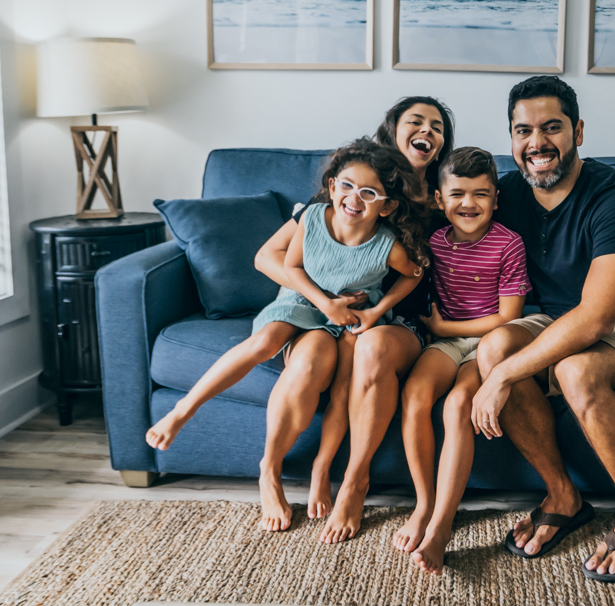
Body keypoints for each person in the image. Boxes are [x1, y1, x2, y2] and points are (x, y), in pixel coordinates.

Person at [146, 138, 430, 532]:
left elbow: (415, 272)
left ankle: (323, 468)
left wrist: (377, 309)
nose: (354, 198)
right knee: (263, 342)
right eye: (346, 186)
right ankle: (186, 412)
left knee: (344, 383)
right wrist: (324, 302)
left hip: (349, 316)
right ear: (331, 186)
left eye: (369, 193)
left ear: (387, 204)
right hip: (304, 299)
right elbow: (291, 267)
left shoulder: (385, 243)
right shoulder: (314, 218)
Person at [471, 76, 615, 583]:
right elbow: (441, 215)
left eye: (552, 127)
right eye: (523, 131)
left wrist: (501, 379)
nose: (537, 143)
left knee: (575, 370)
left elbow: (597, 318)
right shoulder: (505, 194)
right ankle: (564, 496)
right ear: (511, 139)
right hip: (554, 316)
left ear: (578, 132)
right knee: (495, 344)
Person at [252, 97, 454, 523]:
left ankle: (355, 481)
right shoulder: (347, 192)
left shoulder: (445, 197)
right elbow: (268, 257)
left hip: (399, 323)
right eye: (416, 121)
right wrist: (325, 297)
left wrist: (380, 309)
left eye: (437, 127)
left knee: (373, 346)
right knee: (314, 360)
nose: (428, 131)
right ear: (393, 130)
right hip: (331, 316)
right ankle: (271, 473)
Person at [392, 148, 531, 574]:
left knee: (456, 406)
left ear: (496, 200)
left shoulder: (509, 243)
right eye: (457, 194)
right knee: (415, 395)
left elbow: (510, 317)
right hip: (447, 343)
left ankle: (443, 525)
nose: (468, 204)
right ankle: (424, 505)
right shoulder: (434, 242)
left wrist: (442, 328)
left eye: (480, 194)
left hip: (486, 342)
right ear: (439, 199)